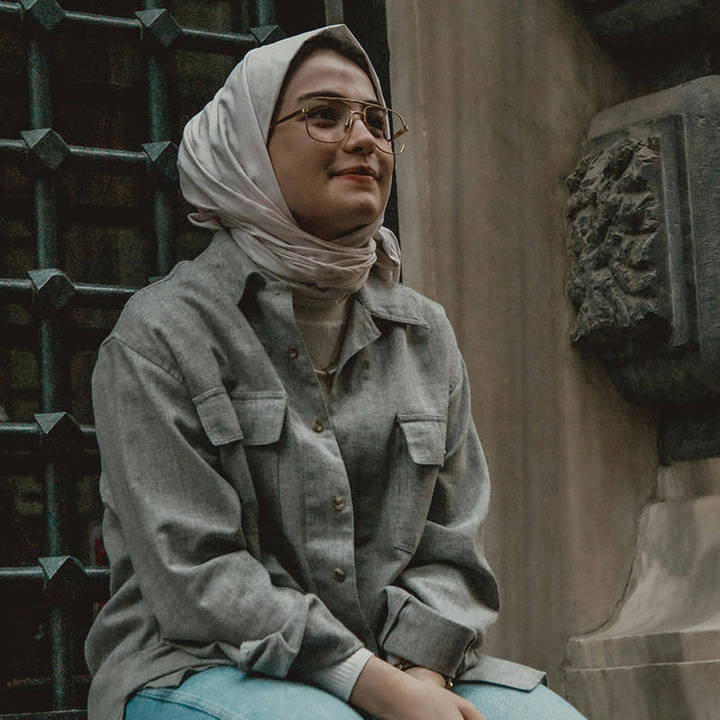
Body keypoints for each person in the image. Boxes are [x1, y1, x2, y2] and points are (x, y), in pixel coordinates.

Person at [85, 24, 588, 720]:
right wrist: (375, 688)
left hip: (399, 667)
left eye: (377, 122)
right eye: (325, 115)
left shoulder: (424, 333)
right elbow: (197, 572)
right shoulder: (161, 334)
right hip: (201, 663)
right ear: (245, 150)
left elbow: (451, 548)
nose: (365, 141)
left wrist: (423, 679)